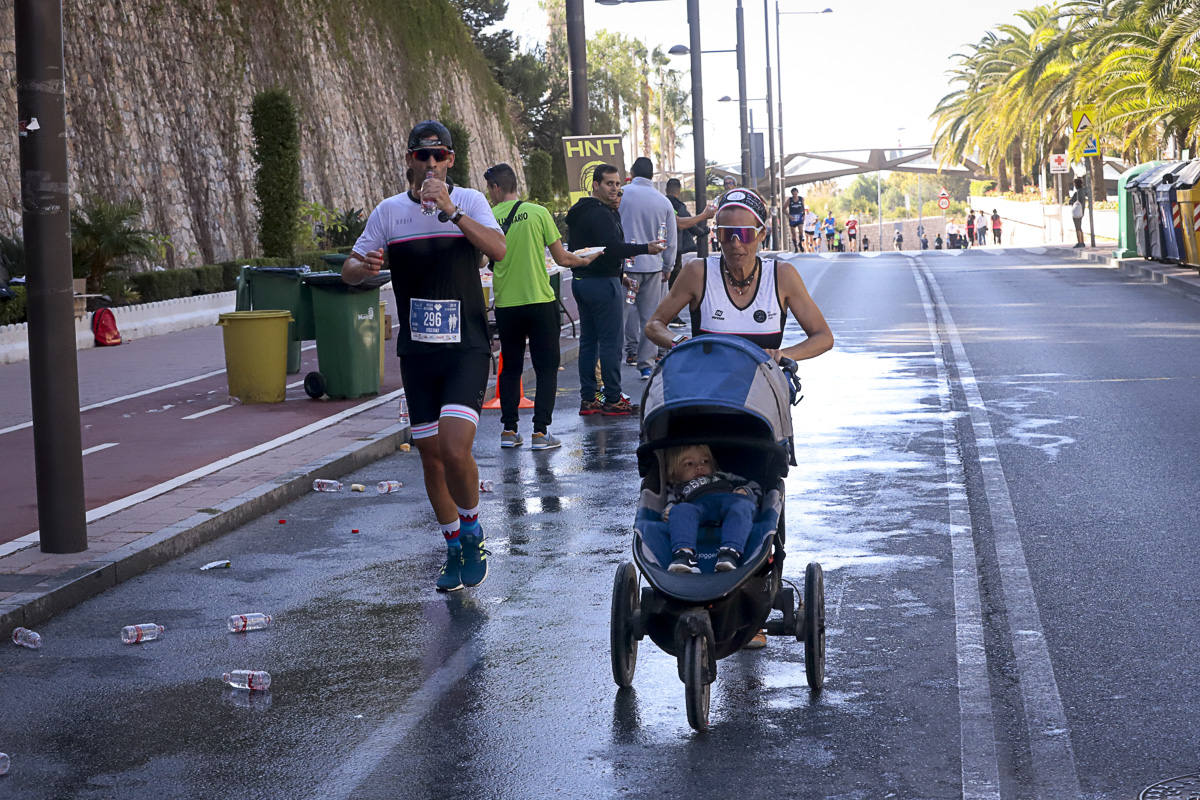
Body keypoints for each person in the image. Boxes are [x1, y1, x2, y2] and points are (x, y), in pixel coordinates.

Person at [644, 188, 833, 645]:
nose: (735, 242)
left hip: (758, 408)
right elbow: (655, 324)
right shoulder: (696, 273)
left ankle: (752, 598)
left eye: (745, 232)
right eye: (726, 233)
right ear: (717, 235)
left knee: (762, 488)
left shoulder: (781, 277)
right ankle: (688, 565)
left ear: (761, 234)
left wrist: (783, 353)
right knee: (691, 480)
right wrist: (679, 345)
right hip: (702, 405)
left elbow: (823, 336)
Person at [341, 120, 507, 593]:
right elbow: (351, 270)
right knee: (431, 456)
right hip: (418, 351)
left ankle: (473, 530)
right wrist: (365, 266)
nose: (431, 164)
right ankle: (452, 544)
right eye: (422, 156)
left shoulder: (470, 202)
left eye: (440, 157)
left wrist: (453, 212)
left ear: (451, 161)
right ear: (410, 160)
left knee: (455, 447)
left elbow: (500, 249)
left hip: (466, 346)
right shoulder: (389, 212)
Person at [484, 163, 599, 451]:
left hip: (507, 304)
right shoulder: (538, 213)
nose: (489, 194)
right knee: (546, 368)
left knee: (510, 368)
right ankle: (540, 432)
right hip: (540, 301)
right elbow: (561, 258)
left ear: (497, 187)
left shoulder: (486, 219)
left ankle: (509, 431)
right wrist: (584, 261)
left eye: (490, 189)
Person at [566, 163, 666, 416]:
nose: (615, 189)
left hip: (583, 281)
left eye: (618, 184)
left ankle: (589, 398)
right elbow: (612, 247)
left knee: (589, 342)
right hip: (602, 283)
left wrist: (620, 276)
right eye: (610, 184)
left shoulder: (581, 211)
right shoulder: (601, 213)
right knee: (611, 342)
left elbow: (594, 249)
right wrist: (646, 248)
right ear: (595, 185)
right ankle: (612, 398)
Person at [620, 157, 678, 380]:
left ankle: (617, 360)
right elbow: (670, 238)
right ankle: (645, 364)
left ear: (633, 172)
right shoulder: (663, 201)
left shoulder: (622, 194)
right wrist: (668, 265)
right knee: (650, 316)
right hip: (653, 268)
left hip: (627, 266)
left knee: (623, 312)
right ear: (652, 175)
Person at [662, 444, 762, 574]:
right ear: (674, 474)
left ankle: (729, 553)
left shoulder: (722, 476)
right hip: (697, 506)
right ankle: (684, 555)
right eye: (689, 464)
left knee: (743, 507)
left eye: (705, 461)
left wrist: (744, 491)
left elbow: (753, 485)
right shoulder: (677, 487)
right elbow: (670, 503)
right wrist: (668, 511)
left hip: (729, 500)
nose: (699, 467)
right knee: (680, 510)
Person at [665, 177, 716, 329]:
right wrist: (703, 231)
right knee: (674, 283)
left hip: (659, 248)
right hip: (675, 248)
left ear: (667, 189)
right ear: (678, 191)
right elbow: (687, 222)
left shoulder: (661, 202)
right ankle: (672, 315)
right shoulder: (677, 205)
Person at [1070, 178, 1086, 247]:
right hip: (1082, 211)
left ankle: (1080, 242)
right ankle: (1082, 241)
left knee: (1077, 227)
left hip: (1077, 212)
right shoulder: (1083, 191)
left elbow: (1070, 201)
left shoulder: (1077, 193)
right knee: (1080, 227)